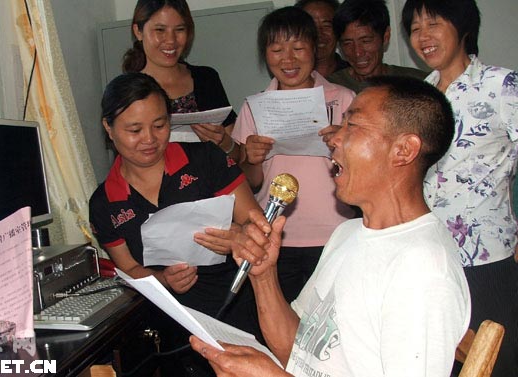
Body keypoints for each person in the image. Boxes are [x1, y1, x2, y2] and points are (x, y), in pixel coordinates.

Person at [189, 76, 471, 377]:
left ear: (403, 150)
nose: (334, 138)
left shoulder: (423, 269)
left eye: (353, 126)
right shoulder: (347, 234)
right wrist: (264, 275)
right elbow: (297, 350)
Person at [88, 72, 264, 374]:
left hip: (237, 309)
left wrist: (239, 235)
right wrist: (165, 280)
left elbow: (257, 226)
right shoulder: (104, 202)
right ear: (109, 128)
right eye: (134, 130)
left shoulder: (205, 160)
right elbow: (129, 268)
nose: (149, 139)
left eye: (160, 125)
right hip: (172, 328)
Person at [402, 1, 518, 375]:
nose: (423, 36)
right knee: (441, 361)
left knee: (494, 361)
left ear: (463, 27)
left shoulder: (502, 86)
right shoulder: (419, 97)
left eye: (433, 24)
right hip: (432, 257)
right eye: (415, 27)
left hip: (488, 256)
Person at [231, 6, 356, 303]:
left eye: (298, 48)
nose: (288, 59)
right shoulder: (254, 106)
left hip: (335, 236)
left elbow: (365, 169)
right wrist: (252, 158)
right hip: (276, 238)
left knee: (334, 328)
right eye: (277, 50)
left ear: (316, 48)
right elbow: (251, 183)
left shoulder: (344, 99)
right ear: (265, 55)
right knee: (280, 322)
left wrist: (345, 142)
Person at [123, 0, 240, 159]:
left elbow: (240, 157)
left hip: (212, 181)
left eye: (179, 29)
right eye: (160, 30)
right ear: (138, 31)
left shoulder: (205, 79)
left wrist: (225, 143)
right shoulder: (126, 90)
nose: (171, 40)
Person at [328, 0, 427, 93]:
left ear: (386, 37)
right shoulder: (329, 88)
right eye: (347, 43)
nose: (357, 52)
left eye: (366, 41)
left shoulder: (417, 83)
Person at [294, 0, 350, 77]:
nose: (319, 34)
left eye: (326, 26)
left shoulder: (356, 76)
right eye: (312, 26)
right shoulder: (289, 76)